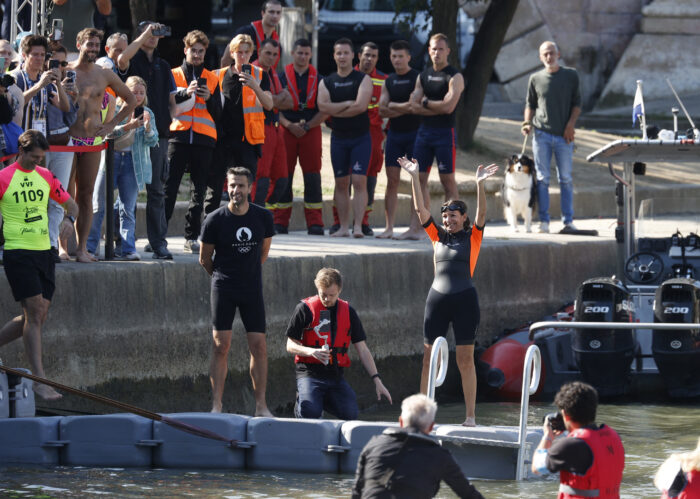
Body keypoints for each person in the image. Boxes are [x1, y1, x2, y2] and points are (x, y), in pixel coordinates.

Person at [399, 156, 498, 427]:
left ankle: (470, 417)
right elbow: (420, 209)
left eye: (453, 216)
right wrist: (414, 175)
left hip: (465, 301)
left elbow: (481, 216)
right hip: (437, 301)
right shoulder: (437, 236)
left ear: (462, 218)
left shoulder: (473, 236)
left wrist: (479, 184)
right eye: (445, 216)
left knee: (465, 360)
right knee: (428, 359)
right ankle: (420, 417)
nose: (447, 220)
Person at [0, 130, 78, 401]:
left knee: (39, 315)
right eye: (34, 157)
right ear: (21, 151)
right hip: (17, 252)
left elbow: (72, 205)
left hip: (45, 252)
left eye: (41, 158)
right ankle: (39, 381)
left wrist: (69, 220)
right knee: (34, 313)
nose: (38, 163)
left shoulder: (45, 176)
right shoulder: (4, 178)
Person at [199, 167, 274, 417]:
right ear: (226, 187)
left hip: (251, 287)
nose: (235, 190)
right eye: (232, 185)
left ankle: (261, 406)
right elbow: (204, 259)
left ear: (249, 187)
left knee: (259, 346)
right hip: (224, 286)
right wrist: (224, 278)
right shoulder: (215, 219)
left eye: (240, 185)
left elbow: (263, 253)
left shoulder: (263, 217)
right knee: (221, 345)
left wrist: (247, 273)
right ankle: (216, 406)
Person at [285, 267, 392, 420]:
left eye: (331, 295)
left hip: (335, 376)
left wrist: (377, 380)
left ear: (339, 291)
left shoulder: (348, 312)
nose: (327, 299)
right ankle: (302, 401)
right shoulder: (304, 309)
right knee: (311, 413)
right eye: (323, 295)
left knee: (350, 414)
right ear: (317, 288)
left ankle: (318, 400)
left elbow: (363, 349)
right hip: (309, 373)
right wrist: (311, 351)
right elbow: (289, 345)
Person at [68, 27, 136, 263]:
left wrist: (112, 125)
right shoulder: (66, 71)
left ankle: (82, 248)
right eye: (90, 44)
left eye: (96, 45)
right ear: (79, 45)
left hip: (92, 141)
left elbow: (131, 99)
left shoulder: (105, 74)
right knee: (65, 194)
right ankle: (62, 247)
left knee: (86, 195)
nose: (93, 49)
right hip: (66, 141)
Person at [352, 393, 484, 499]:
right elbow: (468, 494)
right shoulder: (440, 456)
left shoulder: (373, 445)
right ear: (431, 427)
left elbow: (357, 492)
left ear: (401, 421)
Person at [120, 22, 177, 260]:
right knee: (124, 192)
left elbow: (172, 100)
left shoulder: (163, 66)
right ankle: (123, 243)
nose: (153, 36)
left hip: (156, 136)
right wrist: (143, 34)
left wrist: (166, 123)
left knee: (156, 191)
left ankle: (158, 243)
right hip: (128, 132)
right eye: (148, 32)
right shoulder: (133, 60)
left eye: (157, 33)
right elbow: (122, 59)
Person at [87, 76, 158, 260]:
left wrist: (148, 128)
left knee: (128, 208)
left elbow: (153, 141)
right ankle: (90, 248)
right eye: (134, 92)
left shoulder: (147, 111)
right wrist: (129, 126)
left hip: (133, 162)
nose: (139, 96)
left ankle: (128, 249)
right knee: (99, 205)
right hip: (111, 158)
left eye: (142, 93)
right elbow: (107, 133)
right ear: (125, 92)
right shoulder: (116, 108)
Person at [165, 30, 221, 254]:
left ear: (205, 52)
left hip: (203, 139)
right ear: (185, 49)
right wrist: (183, 94)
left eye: (201, 51)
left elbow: (218, 113)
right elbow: (165, 104)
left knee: (198, 191)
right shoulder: (173, 74)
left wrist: (208, 98)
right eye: (193, 50)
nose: (197, 55)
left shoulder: (213, 77)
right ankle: (159, 236)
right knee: (169, 188)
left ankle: (191, 237)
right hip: (178, 136)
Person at [204, 34, 271, 216]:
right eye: (238, 52)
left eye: (246, 52)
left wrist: (254, 85)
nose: (242, 56)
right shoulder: (217, 75)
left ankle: (243, 224)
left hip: (247, 141)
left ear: (251, 54)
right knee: (215, 187)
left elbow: (269, 104)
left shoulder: (260, 75)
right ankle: (208, 227)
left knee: (245, 187)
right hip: (221, 139)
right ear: (232, 53)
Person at [522, 41, 581, 234]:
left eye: (552, 53)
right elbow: (530, 104)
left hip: (564, 136)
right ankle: (544, 221)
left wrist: (570, 126)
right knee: (542, 178)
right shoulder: (535, 78)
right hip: (542, 134)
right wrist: (527, 123)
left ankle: (568, 220)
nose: (549, 57)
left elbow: (577, 104)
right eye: (545, 54)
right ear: (540, 57)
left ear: (559, 54)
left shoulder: (571, 75)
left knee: (565, 178)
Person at [317, 38, 372, 239]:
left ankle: (357, 226)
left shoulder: (362, 79)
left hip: (360, 138)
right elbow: (322, 107)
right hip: (338, 139)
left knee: (358, 181)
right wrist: (347, 104)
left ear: (353, 56)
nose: (342, 56)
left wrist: (336, 108)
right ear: (334, 56)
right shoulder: (327, 81)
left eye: (345, 53)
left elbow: (361, 107)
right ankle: (343, 227)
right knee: (341, 183)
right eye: (338, 53)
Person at [532, 381, 625, 498]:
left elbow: (537, 467)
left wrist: (548, 435)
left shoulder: (571, 445)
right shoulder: (614, 438)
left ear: (565, 414)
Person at [276, 38, 326, 236]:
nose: (303, 57)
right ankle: (280, 221)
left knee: (312, 176)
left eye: (306, 53)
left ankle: (315, 223)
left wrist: (306, 126)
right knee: (284, 176)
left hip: (310, 130)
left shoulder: (320, 79)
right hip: (286, 129)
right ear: (292, 53)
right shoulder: (280, 77)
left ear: (310, 55)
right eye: (300, 53)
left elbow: (325, 109)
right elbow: (272, 106)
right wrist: (289, 125)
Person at [410, 34, 465, 210]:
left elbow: (448, 108)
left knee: (447, 181)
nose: (437, 53)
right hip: (424, 133)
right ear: (429, 50)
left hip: (444, 134)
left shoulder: (455, 77)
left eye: (441, 49)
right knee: (418, 179)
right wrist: (437, 106)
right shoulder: (423, 76)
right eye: (434, 49)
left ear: (448, 51)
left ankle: (454, 227)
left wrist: (426, 102)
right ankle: (419, 226)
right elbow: (412, 105)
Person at [377, 40, 422, 240]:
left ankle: (415, 227)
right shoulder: (390, 80)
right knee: (392, 181)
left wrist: (394, 106)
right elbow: (381, 110)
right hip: (395, 135)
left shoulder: (418, 77)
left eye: (400, 56)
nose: (397, 60)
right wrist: (404, 105)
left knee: (417, 181)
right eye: (394, 56)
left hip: (415, 134)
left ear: (408, 57)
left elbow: (416, 106)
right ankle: (389, 227)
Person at [44, 43, 79, 262]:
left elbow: (71, 118)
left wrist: (69, 97)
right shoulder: (37, 82)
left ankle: (51, 246)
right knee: (37, 199)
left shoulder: (65, 85)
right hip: (38, 146)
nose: (60, 67)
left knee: (57, 198)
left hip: (62, 144)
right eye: (55, 62)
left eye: (63, 63)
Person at [250, 38, 290, 221]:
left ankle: (266, 216)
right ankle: (256, 217)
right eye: (268, 53)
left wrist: (274, 99)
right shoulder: (253, 71)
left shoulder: (272, 72)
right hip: (260, 126)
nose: (272, 57)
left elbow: (288, 101)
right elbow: (267, 103)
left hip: (276, 128)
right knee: (261, 176)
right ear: (259, 51)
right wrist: (276, 99)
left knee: (282, 178)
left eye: (275, 54)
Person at [221, 0, 282, 69]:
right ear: (263, 13)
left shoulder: (277, 42)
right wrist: (226, 79)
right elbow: (226, 60)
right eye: (271, 12)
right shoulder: (245, 32)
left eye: (278, 13)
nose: (275, 16)